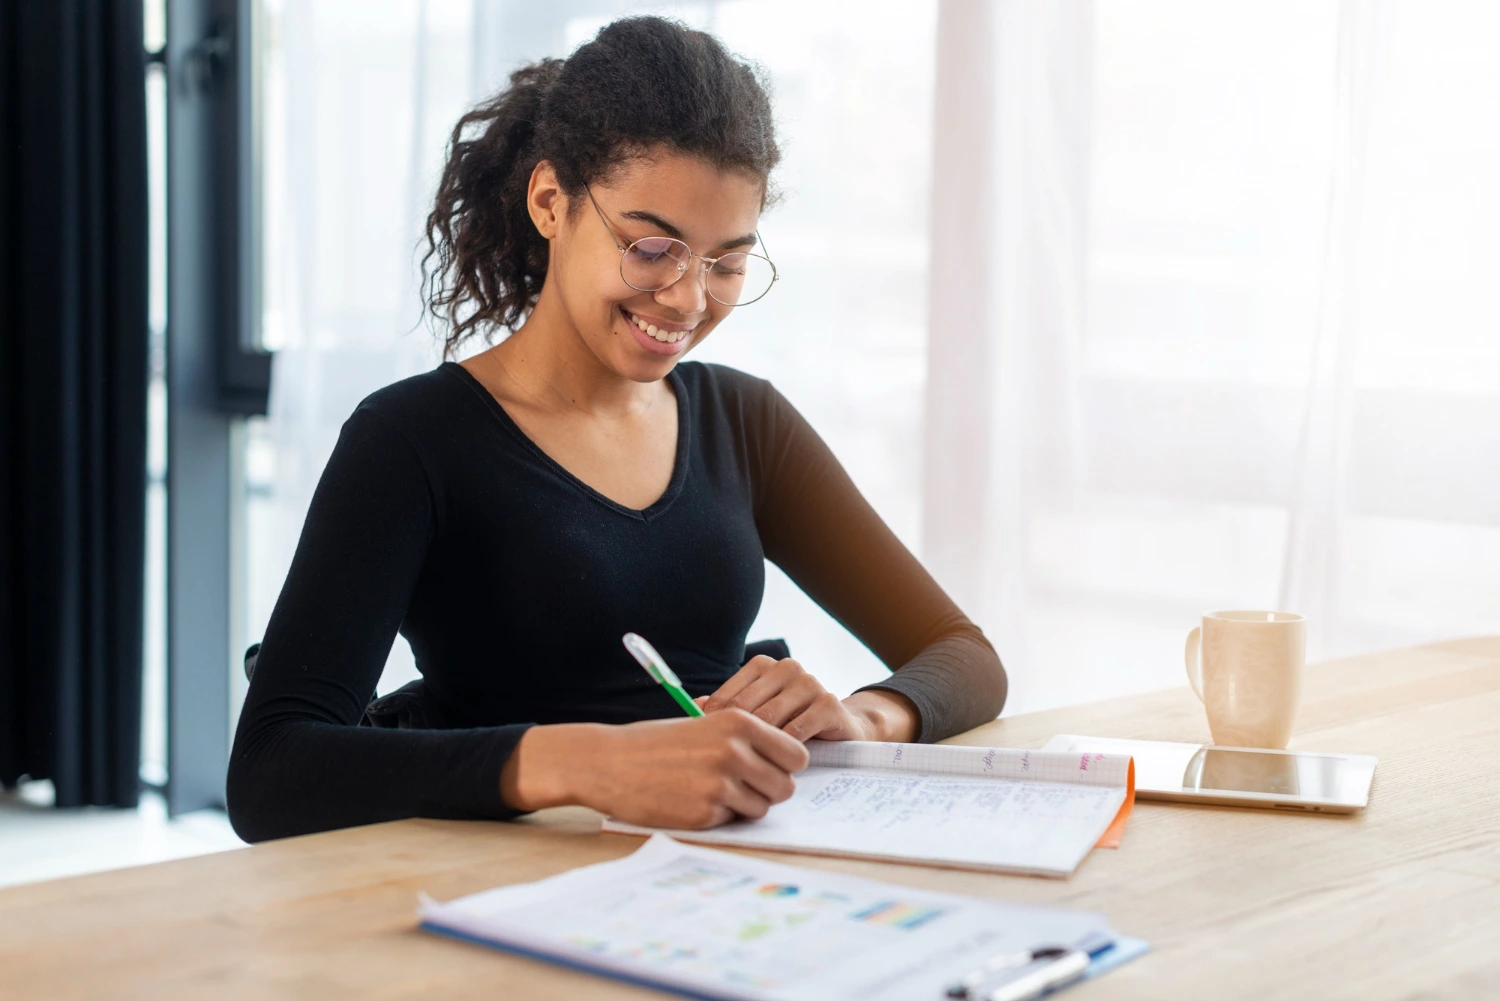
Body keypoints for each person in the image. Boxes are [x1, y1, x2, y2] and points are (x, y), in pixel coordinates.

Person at [226, 16, 1005, 843]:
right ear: (550, 201)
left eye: (726, 262)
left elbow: (964, 655)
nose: (687, 298)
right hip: (502, 894)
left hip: (721, 880)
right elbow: (272, 772)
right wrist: (589, 764)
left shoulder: (747, 422)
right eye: (650, 247)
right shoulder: (411, 440)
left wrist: (865, 716)